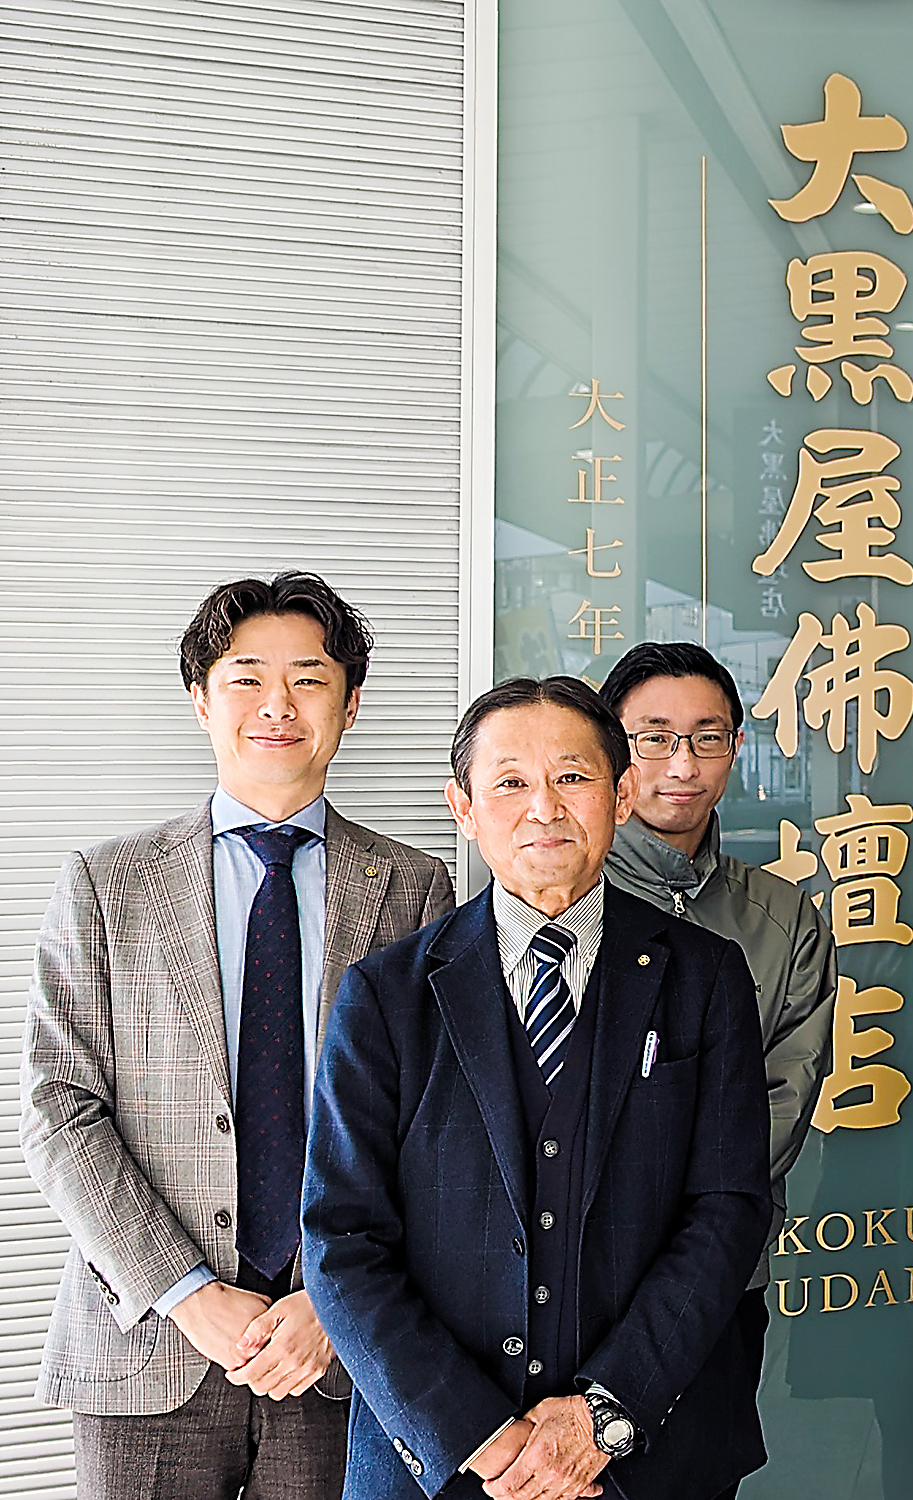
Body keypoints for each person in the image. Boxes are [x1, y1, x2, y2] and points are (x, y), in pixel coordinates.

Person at [20, 572, 455, 1499]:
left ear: (351, 704)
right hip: (144, 1343)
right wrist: (186, 1292)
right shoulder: (107, 883)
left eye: (309, 678)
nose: (277, 706)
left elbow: (431, 1124)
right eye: (246, 677)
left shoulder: (414, 886)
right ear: (201, 701)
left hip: (336, 1345)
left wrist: (330, 1305)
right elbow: (61, 1111)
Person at [302, 677, 769, 1500]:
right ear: (464, 805)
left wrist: (602, 1414)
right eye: (511, 782)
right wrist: (477, 1435)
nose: (544, 808)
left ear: (620, 794)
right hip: (441, 1467)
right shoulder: (384, 996)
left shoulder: (706, 977)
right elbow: (342, 1241)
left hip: (648, 1455)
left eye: (573, 778)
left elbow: (727, 1208)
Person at [599, 642, 838, 1497]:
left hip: (716, 1282)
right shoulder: (557, 898)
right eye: (653, 737)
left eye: (706, 737)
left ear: (737, 748)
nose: (681, 763)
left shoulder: (783, 919)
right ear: (610, 748)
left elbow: (783, 1100)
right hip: (567, 1284)